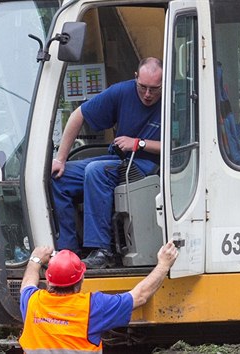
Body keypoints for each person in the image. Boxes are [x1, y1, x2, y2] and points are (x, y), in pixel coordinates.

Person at [52, 57, 163, 269]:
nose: (148, 94)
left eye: (154, 89)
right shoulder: (121, 92)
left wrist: (139, 143)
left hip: (147, 167)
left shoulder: (174, 101)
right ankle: (69, 252)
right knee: (60, 177)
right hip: (119, 161)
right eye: (143, 87)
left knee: (97, 171)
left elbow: (178, 146)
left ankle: (102, 251)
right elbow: (78, 115)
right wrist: (60, 159)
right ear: (135, 78)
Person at [18, 241, 179, 353]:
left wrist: (35, 259)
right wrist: (164, 264)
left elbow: (27, 284)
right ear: (81, 279)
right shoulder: (91, 307)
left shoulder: (33, 302)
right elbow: (140, 296)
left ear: (48, 280)